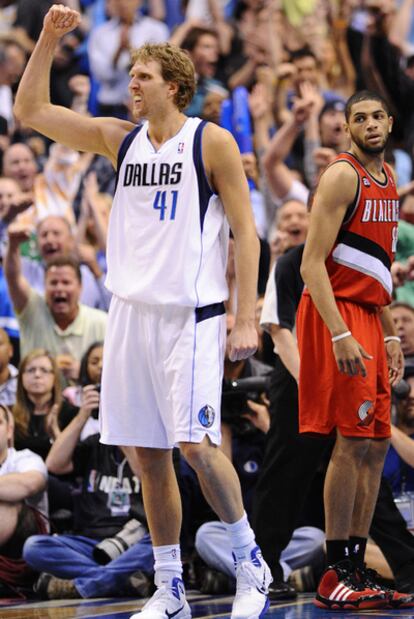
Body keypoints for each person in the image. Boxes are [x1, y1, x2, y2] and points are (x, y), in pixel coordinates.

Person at [14, 6, 272, 619]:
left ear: (175, 86)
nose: (131, 84)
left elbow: (246, 232)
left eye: (143, 77)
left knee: (197, 447)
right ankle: (169, 587)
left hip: (192, 313)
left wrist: (246, 314)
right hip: (132, 314)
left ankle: (250, 563)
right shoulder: (117, 138)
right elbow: (31, 112)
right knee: (147, 455)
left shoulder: (211, 140)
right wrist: (49, 39)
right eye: (129, 76)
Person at [298, 90, 407, 610]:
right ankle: (333, 567)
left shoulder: (389, 184)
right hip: (334, 312)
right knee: (350, 440)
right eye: (358, 118)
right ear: (347, 128)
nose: (369, 123)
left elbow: (377, 267)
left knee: (377, 441)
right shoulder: (344, 176)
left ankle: (357, 564)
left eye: (376, 116)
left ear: (390, 121)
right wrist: (340, 332)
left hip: (367, 314)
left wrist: (388, 333)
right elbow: (311, 264)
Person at [0, 404, 48, 596]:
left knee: (7, 503)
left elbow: (30, 484)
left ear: (9, 431)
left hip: (24, 551)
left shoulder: (25, 458)